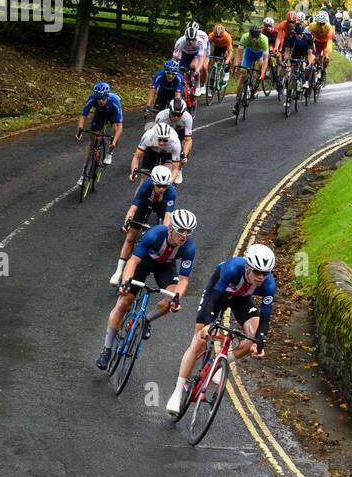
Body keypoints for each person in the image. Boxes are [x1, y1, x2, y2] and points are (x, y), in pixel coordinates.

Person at [165, 244, 276, 416]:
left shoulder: (269, 284)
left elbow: (265, 318)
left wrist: (259, 344)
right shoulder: (232, 268)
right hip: (217, 295)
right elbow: (213, 298)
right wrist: (208, 325)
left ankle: (219, 364)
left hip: (241, 299)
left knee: (253, 337)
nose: (261, 277)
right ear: (247, 268)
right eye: (257, 272)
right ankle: (177, 392)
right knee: (200, 340)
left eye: (265, 273)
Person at [97, 210, 196, 371]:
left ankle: (146, 321)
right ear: (170, 228)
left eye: (188, 232)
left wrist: (176, 297)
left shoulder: (189, 248)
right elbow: (133, 261)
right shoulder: (154, 235)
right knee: (124, 302)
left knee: (169, 302)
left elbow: (183, 279)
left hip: (165, 267)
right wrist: (126, 283)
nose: (184, 236)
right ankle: (106, 349)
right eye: (181, 231)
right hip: (144, 262)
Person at [111, 165, 176, 285]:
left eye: (165, 186)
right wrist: (127, 223)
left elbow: (167, 216)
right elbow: (133, 208)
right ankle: (118, 271)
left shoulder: (171, 191)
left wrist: (161, 232)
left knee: (165, 227)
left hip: (162, 206)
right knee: (130, 237)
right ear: (153, 182)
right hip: (145, 202)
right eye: (159, 186)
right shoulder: (147, 185)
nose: (162, 189)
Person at [74, 82, 123, 183]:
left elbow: (120, 126)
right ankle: (84, 173)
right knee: (92, 137)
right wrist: (79, 131)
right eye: (98, 99)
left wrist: (113, 142)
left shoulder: (114, 101)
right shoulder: (92, 98)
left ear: (107, 96)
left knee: (115, 130)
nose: (100, 101)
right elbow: (83, 116)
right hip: (100, 114)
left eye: (103, 99)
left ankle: (109, 153)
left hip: (112, 114)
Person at [153, 96, 193, 181]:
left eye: (179, 115)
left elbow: (188, 140)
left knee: (187, 145)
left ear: (183, 113)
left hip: (180, 133)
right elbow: (156, 136)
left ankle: (179, 169)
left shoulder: (188, 118)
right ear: (169, 111)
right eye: (174, 114)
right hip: (166, 134)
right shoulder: (161, 116)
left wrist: (184, 155)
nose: (176, 118)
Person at [172, 22, 210, 99]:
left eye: (193, 40)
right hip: (186, 53)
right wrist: (173, 70)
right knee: (180, 71)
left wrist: (197, 71)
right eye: (188, 39)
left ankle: (198, 85)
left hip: (196, 54)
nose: (190, 42)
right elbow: (174, 58)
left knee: (194, 66)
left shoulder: (200, 40)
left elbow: (201, 58)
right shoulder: (180, 41)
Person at [235, 24, 270, 105]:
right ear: (249, 34)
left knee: (261, 66)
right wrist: (236, 65)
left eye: (256, 37)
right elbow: (239, 54)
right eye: (252, 37)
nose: (254, 39)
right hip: (248, 54)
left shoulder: (264, 39)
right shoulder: (245, 37)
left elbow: (266, 59)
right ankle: (238, 96)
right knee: (243, 73)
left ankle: (256, 87)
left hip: (259, 55)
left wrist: (262, 73)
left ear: (260, 35)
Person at [207, 23, 233, 94]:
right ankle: (211, 85)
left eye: (220, 37)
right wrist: (207, 56)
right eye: (216, 37)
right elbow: (207, 47)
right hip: (217, 47)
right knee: (213, 63)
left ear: (223, 33)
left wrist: (227, 61)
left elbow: (230, 52)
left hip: (225, 47)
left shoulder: (227, 36)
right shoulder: (211, 35)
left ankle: (227, 72)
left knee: (227, 58)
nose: (218, 38)